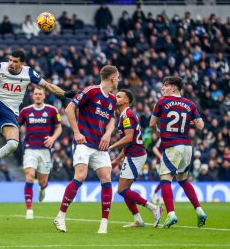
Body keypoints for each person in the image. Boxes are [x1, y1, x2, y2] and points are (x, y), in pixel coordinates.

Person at [0, 49, 76, 180]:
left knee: (13, 144)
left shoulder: (29, 73)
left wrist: (65, 94)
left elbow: (48, 86)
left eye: (15, 61)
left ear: (22, 63)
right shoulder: (1, 67)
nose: (11, 63)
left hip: (9, 114)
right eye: (10, 60)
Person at [53, 65, 119, 234]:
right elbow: (69, 109)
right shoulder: (91, 91)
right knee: (80, 176)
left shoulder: (112, 99)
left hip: (100, 145)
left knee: (106, 178)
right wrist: (76, 132)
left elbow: (111, 119)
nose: (118, 80)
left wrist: (109, 133)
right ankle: (60, 216)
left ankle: (104, 222)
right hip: (84, 142)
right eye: (117, 77)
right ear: (112, 78)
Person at [149, 76, 207, 228]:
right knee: (182, 180)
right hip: (187, 146)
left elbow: (152, 123)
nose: (163, 89)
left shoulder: (162, 102)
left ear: (173, 88)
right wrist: (190, 121)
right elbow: (201, 126)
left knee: (165, 178)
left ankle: (171, 214)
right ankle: (200, 211)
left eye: (165, 86)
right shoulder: (190, 104)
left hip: (172, 146)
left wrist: (159, 131)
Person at [108, 89, 162, 228]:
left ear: (126, 100)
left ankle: (153, 208)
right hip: (133, 153)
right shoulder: (125, 115)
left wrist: (110, 148)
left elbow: (128, 138)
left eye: (119, 96)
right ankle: (138, 220)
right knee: (126, 190)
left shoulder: (127, 115)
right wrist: (117, 160)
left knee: (122, 190)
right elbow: (129, 142)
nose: (115, 97)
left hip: (136, 155)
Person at [18, 86, 62, 219]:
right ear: (33, 96)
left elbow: (58, 128)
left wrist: (53, 138)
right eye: (35, 94)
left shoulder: (52, 110)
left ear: (44, 96)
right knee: (30, 176)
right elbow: (17, 125)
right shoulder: (26, 111)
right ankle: (29, 210)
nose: (37, 96)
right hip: (30, 149)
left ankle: (42, 189)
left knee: (42, 181)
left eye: (40, 94)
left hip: (45, 151)